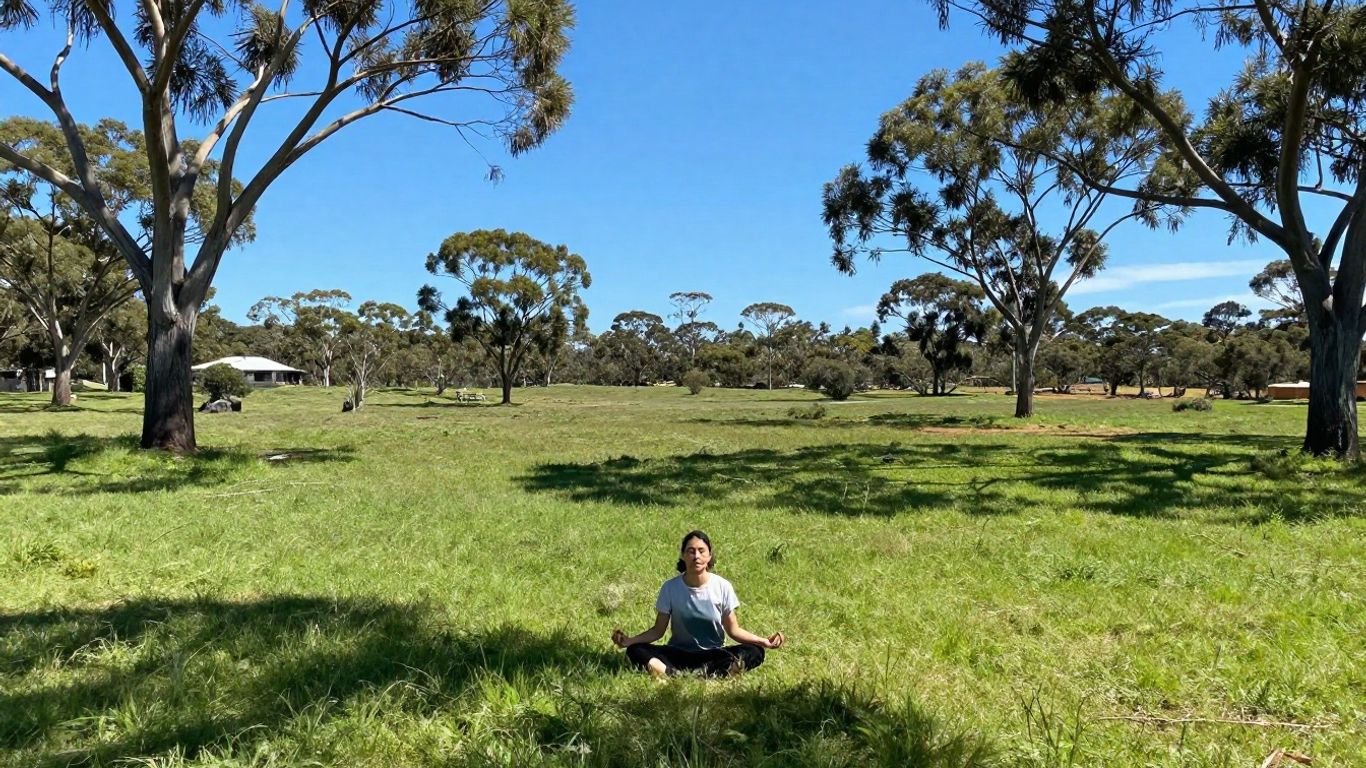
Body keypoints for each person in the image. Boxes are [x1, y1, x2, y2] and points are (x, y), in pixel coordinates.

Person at [612, 530, 785, 678]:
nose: (696, 556)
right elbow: (658, 631)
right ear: (683, 555)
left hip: (713, 654)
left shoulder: (722, 587)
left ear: (709, 555)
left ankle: (695, 673)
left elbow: (734, 630)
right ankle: (678, 674)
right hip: (678, 654)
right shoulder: (670, 588)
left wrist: (764, 642)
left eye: (702, 551)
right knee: (636, 650)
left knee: (755, 652)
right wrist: (630, 641)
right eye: (691, 551)